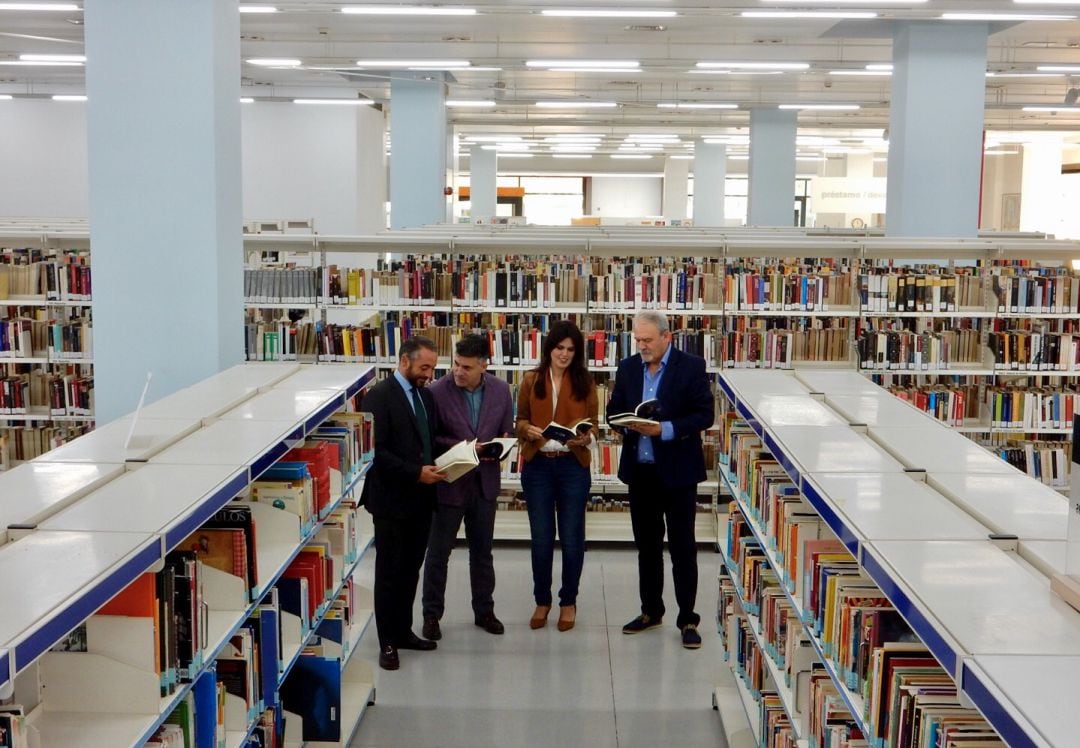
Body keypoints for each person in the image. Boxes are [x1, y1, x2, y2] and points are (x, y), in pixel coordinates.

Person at [606, 311, 714, 649]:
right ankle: (651, 610)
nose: (642, 346)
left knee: (683, 548)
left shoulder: (692, 366)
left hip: (679, 474)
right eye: (637, 340)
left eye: (648, 340)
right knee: (647, 547)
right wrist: (625, 423)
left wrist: (663, 429)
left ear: (667, 337)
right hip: (642, 472)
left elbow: (704, 415)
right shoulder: (627, 368)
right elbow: (613, 411)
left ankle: (688, 619)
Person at [421, 334, 515, 641]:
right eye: (456, 365)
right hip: (450, 484)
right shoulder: (435, 392)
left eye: (466, 367)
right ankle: (431, 616)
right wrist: (468, 447)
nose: (458, 372)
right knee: (438, 554)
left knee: (482, 553)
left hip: (485, 483)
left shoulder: (501, 391)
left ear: (484, 366)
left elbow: (507, 430)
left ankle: (484, 611)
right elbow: (430, 439)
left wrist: (500, 444)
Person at [360, 336, 445, 671]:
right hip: (391, 501)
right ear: (405, 361)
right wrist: (415, 473)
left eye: (433, 368)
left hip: (423, 500)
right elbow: (375, 452)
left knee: (411, 569)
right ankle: (387, 643)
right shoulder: (378, 397)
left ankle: (404, 630)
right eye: (424, 367)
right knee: (389, 573)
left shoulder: (426, 396)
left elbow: (429, 439)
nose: (429, 374)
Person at [516, 319, 598, 632]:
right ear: (549, 348)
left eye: (570, 349)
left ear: (576, 353)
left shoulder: (585, 382)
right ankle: (542, 599)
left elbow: (593, 425)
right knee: (540, 538)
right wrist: (527, 429)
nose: (563, 354)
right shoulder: (531, 380)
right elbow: (519, 420)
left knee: (573, 537)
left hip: (572, 466)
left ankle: (568, 601)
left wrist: (584, 437)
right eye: (559, 348)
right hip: (537, 465)